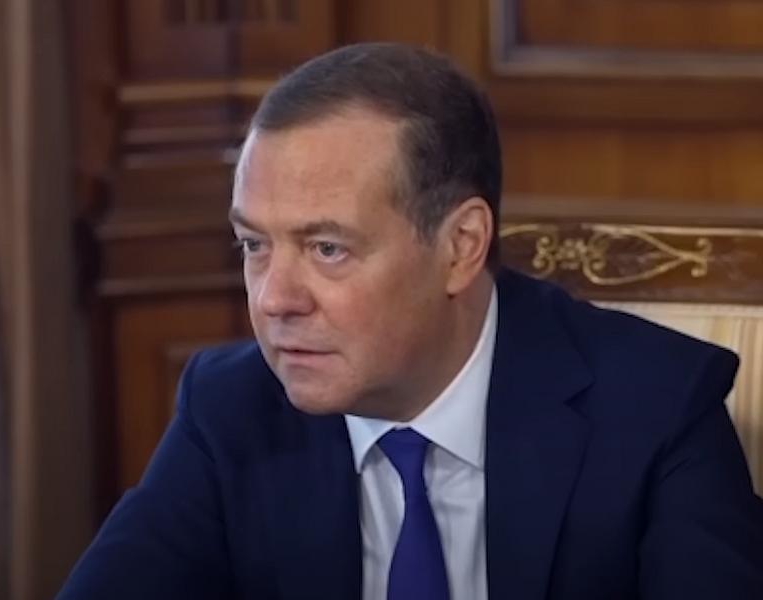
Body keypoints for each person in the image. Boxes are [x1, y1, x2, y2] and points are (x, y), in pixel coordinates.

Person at [58, 42, 763, 599]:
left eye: (327, 248)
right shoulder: (230, 408)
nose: (274, 300)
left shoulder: (656, 408)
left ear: (460, 247)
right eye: (254, 246)